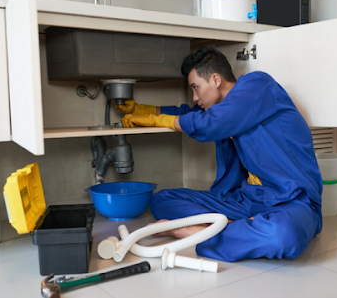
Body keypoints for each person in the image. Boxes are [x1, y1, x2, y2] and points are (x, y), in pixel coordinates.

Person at [117, 46, 323, 262]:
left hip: (291, 200)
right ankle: (239, 229)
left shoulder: (258, 85)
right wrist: (142, 110)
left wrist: (158, 120)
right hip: (246, 200)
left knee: (284, 235)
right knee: (162, 200)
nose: (195, 97)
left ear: (216, 79)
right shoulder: (221, 108)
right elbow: (188, 113)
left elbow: (208, 123)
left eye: (196, 88)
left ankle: (193, 232)